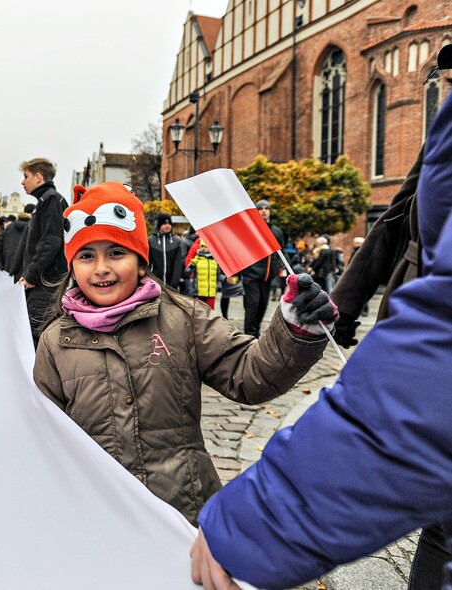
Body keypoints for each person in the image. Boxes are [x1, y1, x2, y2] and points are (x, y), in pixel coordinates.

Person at [190, 72, 452, 590]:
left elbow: (249, 375)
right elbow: (396, 220)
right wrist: (346, 308)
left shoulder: (180, 319)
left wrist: (261, 522)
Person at [32, 181, 335, 526]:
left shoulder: (183, 318)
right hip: (97, 515)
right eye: (87, 256)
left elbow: (250, 375)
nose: (101, 267)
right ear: (72, 267)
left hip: (183, 511)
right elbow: (44, 436)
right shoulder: (57, 341)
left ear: (141, 261)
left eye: (116, 252)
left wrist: (294, 330)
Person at [17, 158, 69, 346]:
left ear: (38, 177)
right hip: (44, 280)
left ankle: (38, 375)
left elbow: (50, 241)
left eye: (26, 176)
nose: (23, 182)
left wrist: (31, 275)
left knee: (36, 332)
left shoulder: (50, 199)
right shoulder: (46, 199)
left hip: (46, 282)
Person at [240, 199, 286, 336]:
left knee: (262, 305)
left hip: (267, 276)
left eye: (266, 208)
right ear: (256, 211)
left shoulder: (276, 231)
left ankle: (256, 332)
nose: (264, 211)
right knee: (253, 304)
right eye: (260, 209)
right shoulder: (250, 230)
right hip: (251, 275)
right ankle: (249, 334)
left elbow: (281, 253)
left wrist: (285, 269)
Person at [148, 213, 184, 291]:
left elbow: (178, 265)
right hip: (154, 284)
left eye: (169, 223)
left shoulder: (176, 241)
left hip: (171, 286)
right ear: (159, 225)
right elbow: (147, 263)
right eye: (164, 223)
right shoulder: (151, 241)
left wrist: (174, 284)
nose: (167, 226)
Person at [184, 240, 219, 310]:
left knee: (210, 314)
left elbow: (219, 275)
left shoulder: (215, 261)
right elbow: (187, 273)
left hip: (211, 293)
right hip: (198, 293)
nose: (204, 248)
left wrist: (226, 279)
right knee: (198, 314)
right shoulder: (197, 259)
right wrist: (192, 265)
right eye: (202, 246)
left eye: (206, 246)